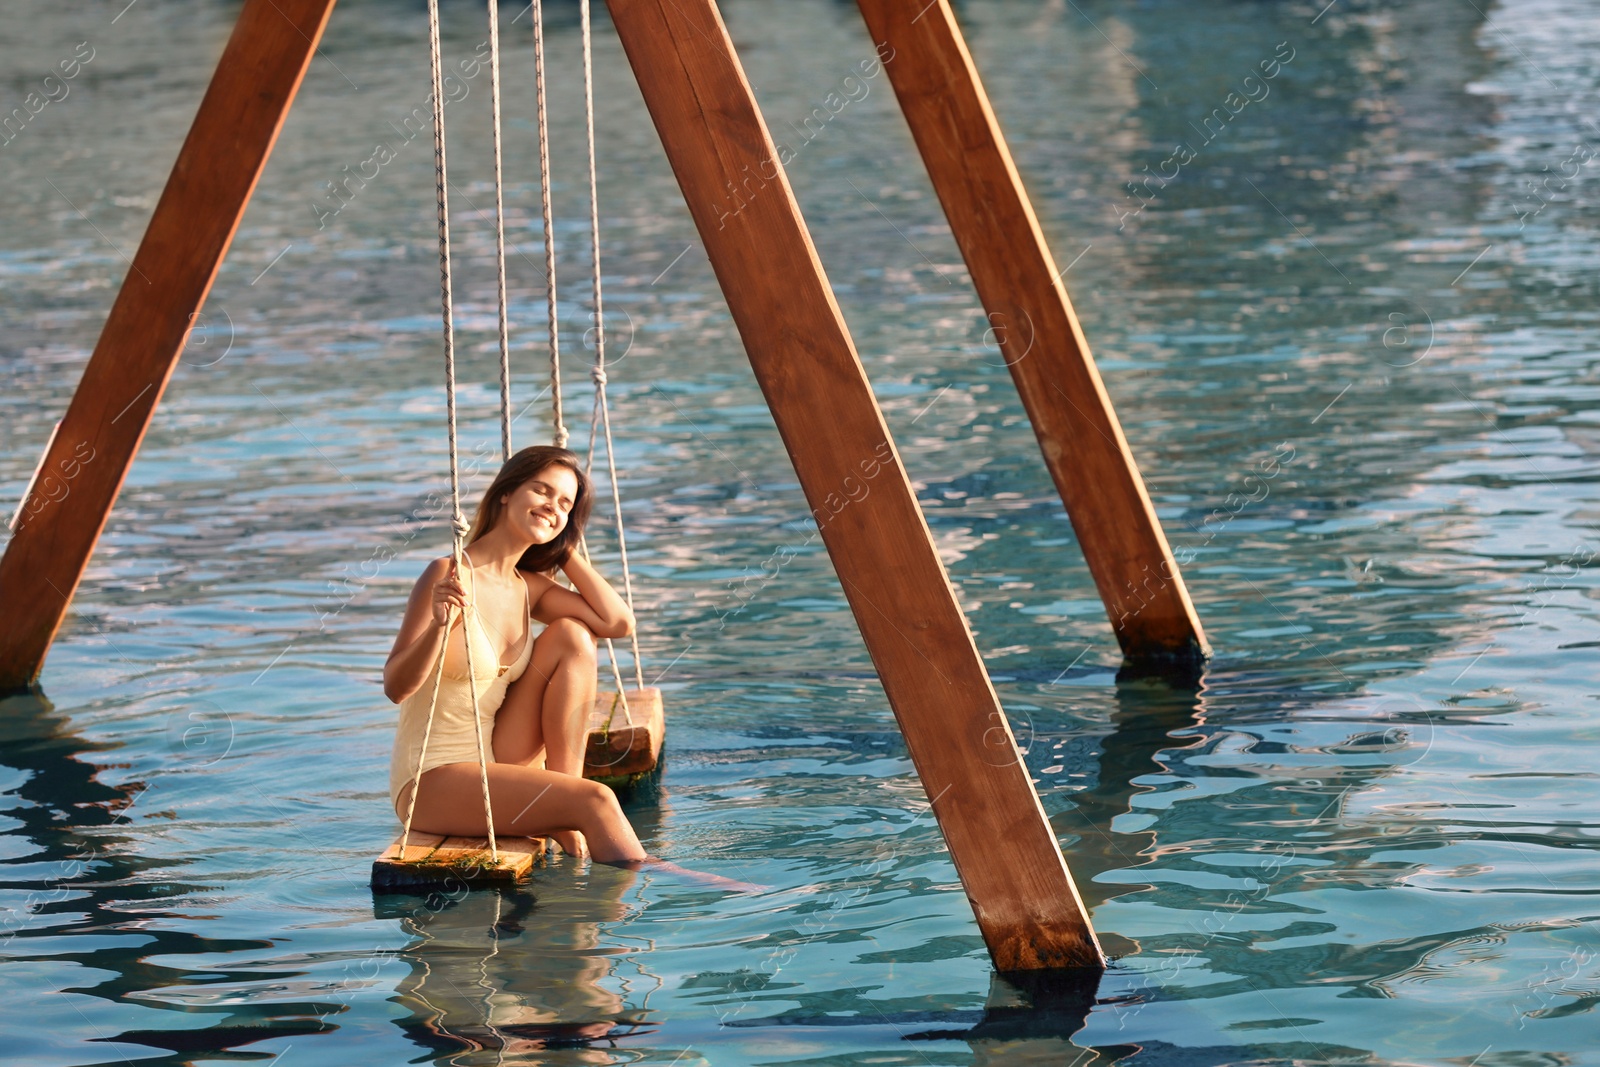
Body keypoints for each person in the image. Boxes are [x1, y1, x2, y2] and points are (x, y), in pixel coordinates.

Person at [384, 445, 643, 863]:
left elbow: (617, 624)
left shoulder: (530, 587)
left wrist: (563, 542)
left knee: (573, 636)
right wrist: (439, 626)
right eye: (541, 491)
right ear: (506, 492)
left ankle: (563, 794)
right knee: (596, 799)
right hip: (432, 779)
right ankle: (653, 889)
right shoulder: (448, 574)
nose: (551, 506)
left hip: (499, 758)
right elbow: (396, 687)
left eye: (565, 503)